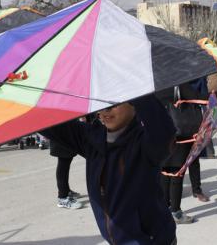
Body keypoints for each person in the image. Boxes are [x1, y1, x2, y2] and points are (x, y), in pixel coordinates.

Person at [40, 95, 177, 245]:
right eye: (101, 102)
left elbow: (164, 132)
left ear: (134, 102)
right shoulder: (91, 138)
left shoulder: (145, 144)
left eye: (114, 102)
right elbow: (45, 121)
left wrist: (137, 89)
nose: (106, 110)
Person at [157, 83, 209, 225]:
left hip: (161, 136)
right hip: (181, 137)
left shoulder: (154, 85)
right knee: (177, 175)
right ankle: (176, 212)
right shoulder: (178, 86)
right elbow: (201, 98)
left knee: (165, 173)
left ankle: (164, 209)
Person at [49, 139, 82, 209]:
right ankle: (62, 197)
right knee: (63, 164)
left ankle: (66, 191)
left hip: (65, 137)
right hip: (60, 137)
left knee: (66, 162)